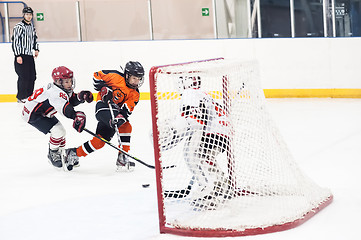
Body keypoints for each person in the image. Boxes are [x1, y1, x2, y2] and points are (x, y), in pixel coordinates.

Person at [159, 75, 233, 208]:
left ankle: (207, 191)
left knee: (193, 156)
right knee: (206, 157)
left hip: (213, 129)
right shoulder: (202, 93)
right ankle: (221, 184)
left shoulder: (189, 93)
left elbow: (195, 120)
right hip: (224, 129)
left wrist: (174, 133)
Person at [71, 61, 144, 172]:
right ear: (127, 75)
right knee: (119, 123)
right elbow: (97, 75)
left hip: (114, 113)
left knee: (100, 142)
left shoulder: (135, 94)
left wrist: (120, 118)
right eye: (134, 78)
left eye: (139, 79)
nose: (136, 82)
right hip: (103, 107)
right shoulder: (115, 76)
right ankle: (123, 157)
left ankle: (73, 153)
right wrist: (104, 88)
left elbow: (125, 112)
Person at [21, 66, 93, 171]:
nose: (69, 84)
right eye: (66, 82)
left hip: (41, 112)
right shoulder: (55, 93)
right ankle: (53, 153)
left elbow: (69, 100)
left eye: (70, 81)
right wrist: (75, 115)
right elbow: (64, 108)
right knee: (58, 131)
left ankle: (61, 153)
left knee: (61, 132)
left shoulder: (60, 88)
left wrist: (80, 97)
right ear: (58, 81)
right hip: (33, 114)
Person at [12, 6, 39, 103]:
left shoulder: (31, 26)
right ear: (24, 15)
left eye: (30, 14)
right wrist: (17, 55)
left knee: (32, 76)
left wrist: (36, 49)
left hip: (29, 55)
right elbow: (15, 41)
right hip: (21, 55)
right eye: (27, 14)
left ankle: (29, 95)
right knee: (23, 76)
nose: (29, 16)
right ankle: (21, 97)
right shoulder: (19, 26)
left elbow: (35, 38)